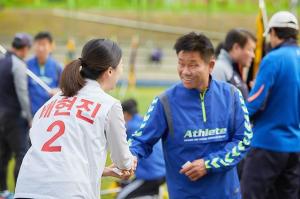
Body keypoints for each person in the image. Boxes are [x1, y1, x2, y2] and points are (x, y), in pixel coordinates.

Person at [130, 32, 253, 199]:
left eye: (193, 65)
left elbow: (244, 140)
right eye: (181, 64)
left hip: (226, 194)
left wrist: (208, 164)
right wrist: (128, 157)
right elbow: (140, 140)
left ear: (210, 65)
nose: (185, 71)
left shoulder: (231, 95)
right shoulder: (164, 102)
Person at [14, 38, 136, 199]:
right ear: (110, 71)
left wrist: (104, 171)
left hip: (25, 189)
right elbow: (123, 161)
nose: (122, 70)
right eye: (121, 65)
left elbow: (53, 155)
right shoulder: (109, 104)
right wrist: (130, 162)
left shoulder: (52, 100)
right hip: (68, 193)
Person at [241, 11, 300, 199]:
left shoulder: (273, 58)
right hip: (295, 147)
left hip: (268, 144)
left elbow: (255, 102)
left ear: (274, 32)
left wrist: (234, 119)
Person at [0, 33, 32, 199]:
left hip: (1, 116)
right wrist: (29, 118)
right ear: (25, 49)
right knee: (21, 154)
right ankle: (20, 193)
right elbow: (22, 94)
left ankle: (3, 190)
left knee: (3, 156)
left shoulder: (2, 61)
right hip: (14, 117)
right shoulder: (18, 64)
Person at [117, 99, 165, 199]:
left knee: (121, 196)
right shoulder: (144, 122)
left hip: (150, 175)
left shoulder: (130, 127)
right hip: (162, 172)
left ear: (125, 114)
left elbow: (122, 153)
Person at [212, 28, 256, 99]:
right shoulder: (219, 69)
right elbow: (215, 104)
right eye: (250, 50)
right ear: (236, 47)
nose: (253, 55)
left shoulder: (232, 68)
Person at [27, 31, 62, 116]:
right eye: (38, 44)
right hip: (31, 116)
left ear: (50, 47)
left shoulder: (58, 67)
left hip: (50, 115)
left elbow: (65, 89)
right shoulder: (26, 65)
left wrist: (59, 91)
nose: (40, 48)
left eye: (44, 44)